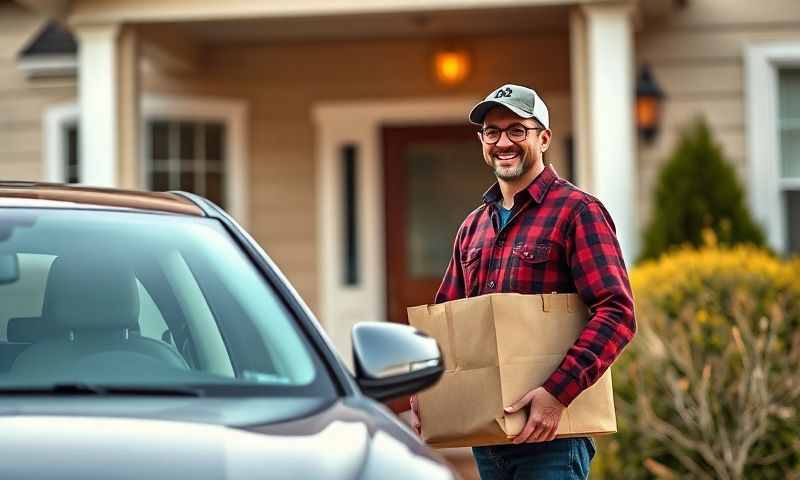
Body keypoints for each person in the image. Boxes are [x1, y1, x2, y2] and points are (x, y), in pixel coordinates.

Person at [409, 84, 636, 479]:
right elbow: (446, 320)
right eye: (492, 132)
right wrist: (425, 389)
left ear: (543, 138)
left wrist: (556, 395)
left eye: (517, 129)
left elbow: (617, 313)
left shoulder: (578, 212)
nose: (503, 142)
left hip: (553, 437)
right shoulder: (473, 227)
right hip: (489, 434)